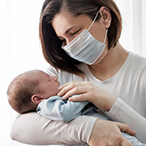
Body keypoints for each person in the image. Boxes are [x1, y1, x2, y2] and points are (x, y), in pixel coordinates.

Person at [10, 0, 146, 146]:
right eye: (63, 39)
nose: (70, 45)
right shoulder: (58, 75)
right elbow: (18, 129)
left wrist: (110, 104)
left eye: (75, 32)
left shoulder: (141, 73)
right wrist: (89, 129)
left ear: (105, 17)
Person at [7, 69, 146, 146]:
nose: (55, 77)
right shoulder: (47, 104)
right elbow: (65, 113)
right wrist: (82, 97)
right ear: (37, 98)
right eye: (49, 79)